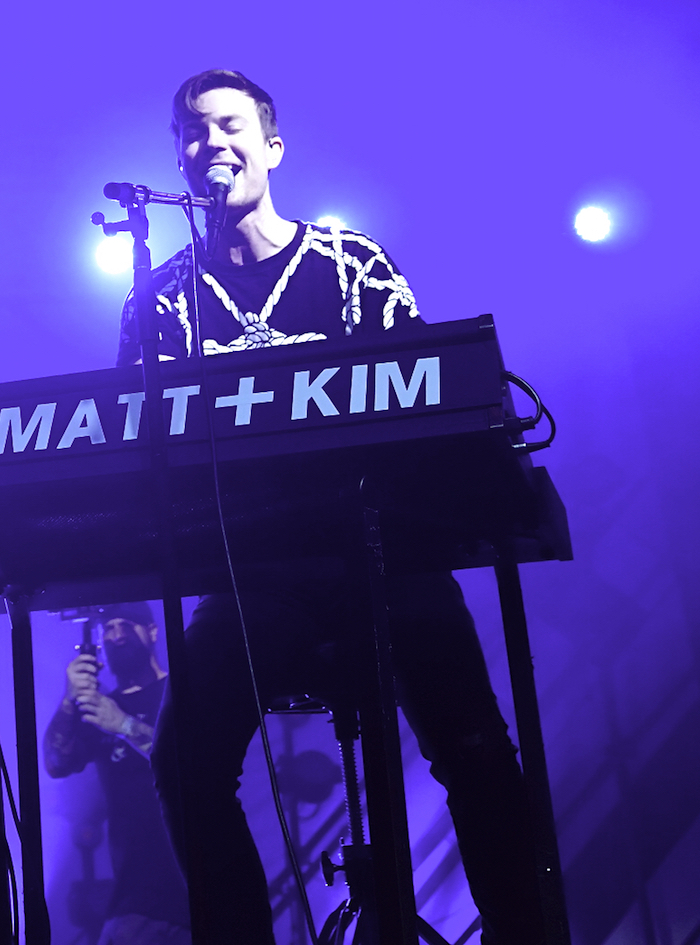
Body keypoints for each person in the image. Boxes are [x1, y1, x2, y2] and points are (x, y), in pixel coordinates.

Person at [119, 69, 542, 943]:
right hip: (255, 575)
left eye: (229, 124)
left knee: (475, 749)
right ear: (178, 160)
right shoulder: (159, 299)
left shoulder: (350, 263)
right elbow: (130, 444)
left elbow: (427, 404)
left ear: (273, 147)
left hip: (386, 552)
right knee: (184, 760)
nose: (210, 143)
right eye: (193, 132)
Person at [43, 605, 190, 945]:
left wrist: (124, 725)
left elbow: (194, 762)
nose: (117, 635)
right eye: (108, 628)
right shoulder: (101, 708)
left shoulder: (181, 690)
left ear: (152, 631)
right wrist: (69, 701)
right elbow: (56, 762)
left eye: (126, 624)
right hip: (136, 905)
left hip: (200, 890)